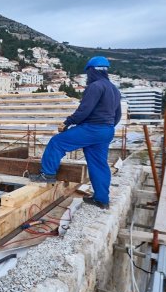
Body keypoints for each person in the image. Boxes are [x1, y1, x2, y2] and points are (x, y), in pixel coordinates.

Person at [30, 56, 121, 209]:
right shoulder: (114, 90)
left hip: (92, 128)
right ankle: (101, 199)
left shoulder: (95, 86)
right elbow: (117, 115)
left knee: (57, 142)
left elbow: (84, 110)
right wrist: (106, 127)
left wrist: (67, 122)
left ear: (91, 70)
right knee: (99, 164)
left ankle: (47, 174)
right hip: (107, 130)